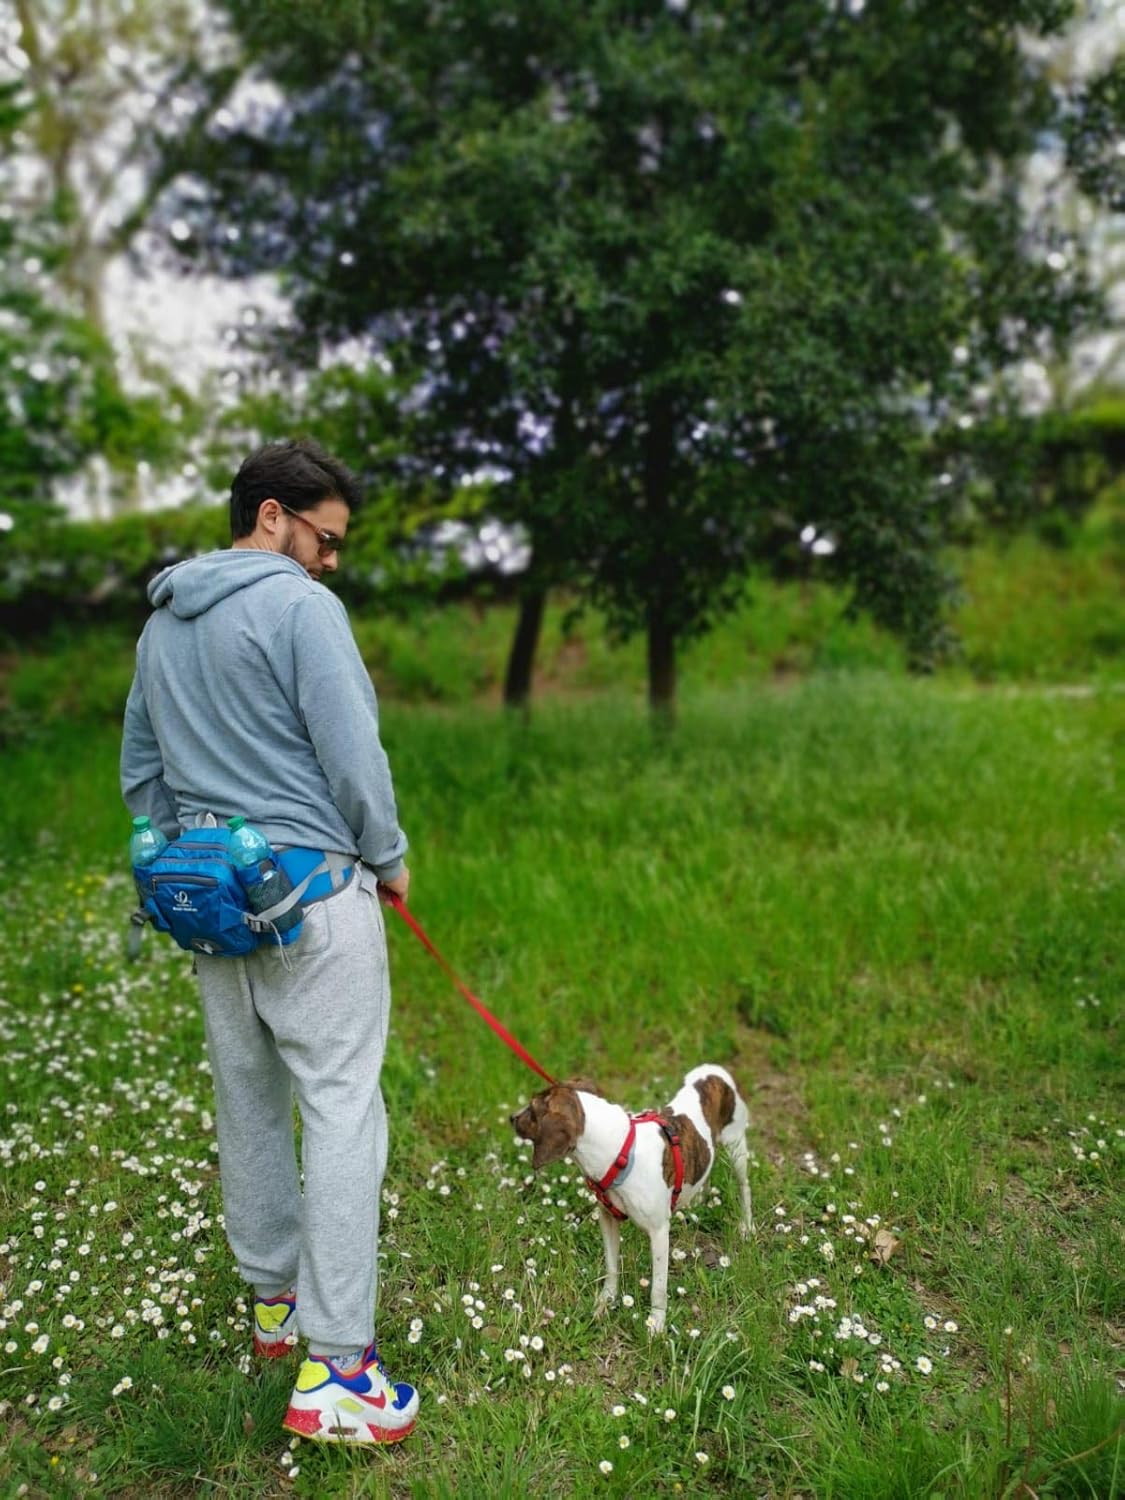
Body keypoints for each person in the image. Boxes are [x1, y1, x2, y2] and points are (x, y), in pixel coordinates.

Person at [120, 437, 419, 1444]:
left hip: (211, 903)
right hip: (316, 902)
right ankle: (339, 1373)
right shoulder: (302, 611)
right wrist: (388, 854)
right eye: (325, 539)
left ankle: (274, 1307)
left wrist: (186, 868)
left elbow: (142, 774)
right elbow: (352, 752)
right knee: (341, 1111)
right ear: (273, 517)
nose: (332, 562)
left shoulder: (161, 627)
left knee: (249, 1104)